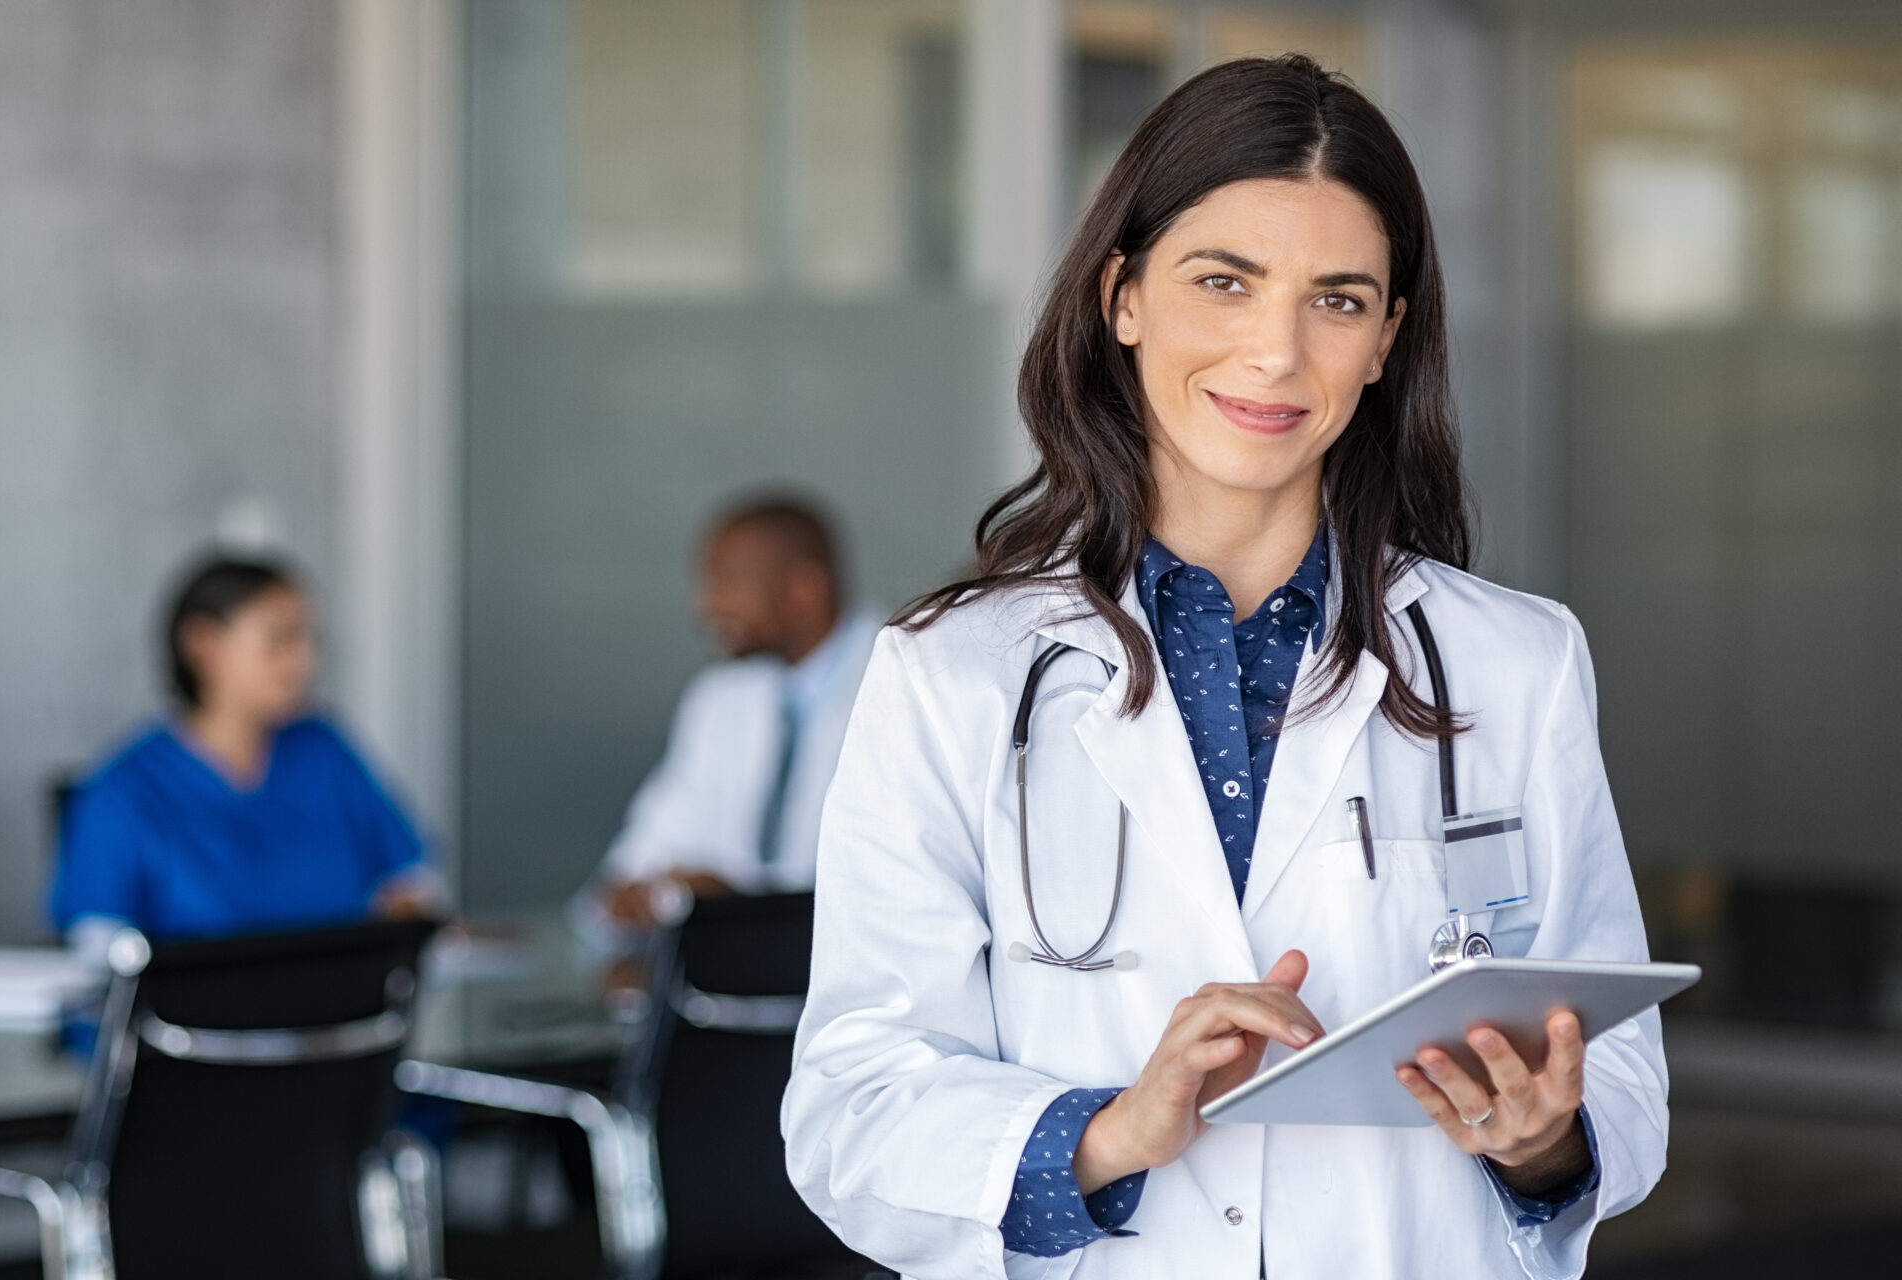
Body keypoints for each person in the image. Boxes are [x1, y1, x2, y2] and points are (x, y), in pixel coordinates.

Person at [782, 56, 1665, 1280]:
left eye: (1339, 300)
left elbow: (1618, 1061)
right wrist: (1106, 1131)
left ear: (1385, 341)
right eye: (1224, 281)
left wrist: (1544, 1138)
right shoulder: (953, 674)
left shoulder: (1515, 662)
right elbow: (851, 1104)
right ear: (1123, 296)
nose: (1276, 351)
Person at [50, 555, 439, 951]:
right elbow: (98, 949)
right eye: (279, 641)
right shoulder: (122, 792)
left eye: (309, 640)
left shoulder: (325, 754)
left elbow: (408, 884)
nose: (305, 661)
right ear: (203, 644)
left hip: (343, 1008)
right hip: (188, 1013)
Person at [577, 495, 877, 930]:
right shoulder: (720, 699)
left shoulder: (905, 688)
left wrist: (740, 904)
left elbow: (885, 891)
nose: (706, 608)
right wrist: (637, 892)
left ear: (805, 589)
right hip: (722, 984)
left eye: (729, 585)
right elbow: (645, 851)